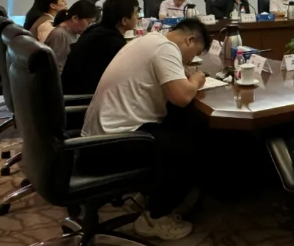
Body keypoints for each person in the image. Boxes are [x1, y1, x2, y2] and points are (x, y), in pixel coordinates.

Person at [80, 18, 209, 241]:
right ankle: (157, 217)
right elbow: (182, 97)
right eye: (194, 54)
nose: (189, 61)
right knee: (188, 147)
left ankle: (151, 194)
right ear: (190, 40)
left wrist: (183, 76)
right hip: (112, 143)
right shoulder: (166, 48)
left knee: (177, 125)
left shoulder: (148, 40)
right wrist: (197, 79)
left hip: (97, 136)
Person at [61, 0, 139, 94]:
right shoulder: (112, 42)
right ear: (124, 20)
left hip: (72, 91)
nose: (138, 17)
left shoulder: (96, 30)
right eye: (136, 13)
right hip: (83, 98)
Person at [45, 0, 98, 73]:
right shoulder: (60, 35)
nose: (89, 27)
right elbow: (57, 68)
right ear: (75, 18)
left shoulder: (75, 33)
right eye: (89, 23)